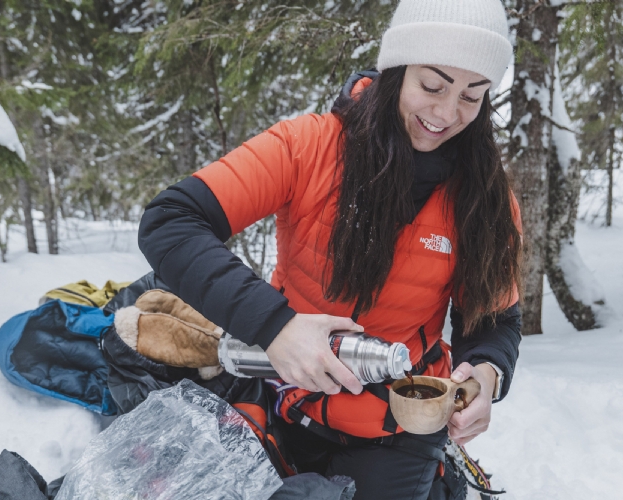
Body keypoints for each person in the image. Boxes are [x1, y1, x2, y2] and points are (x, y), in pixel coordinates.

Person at [138, 0, 522, 498]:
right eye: (433, 85)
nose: (447, 114)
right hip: (284, 393)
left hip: (400, 421)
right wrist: (276, 327)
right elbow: (170, 221)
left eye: (473, 96)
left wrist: (488, 374)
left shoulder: (486, 198)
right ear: (396, 71)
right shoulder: (307, 148)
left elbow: (494, 319)